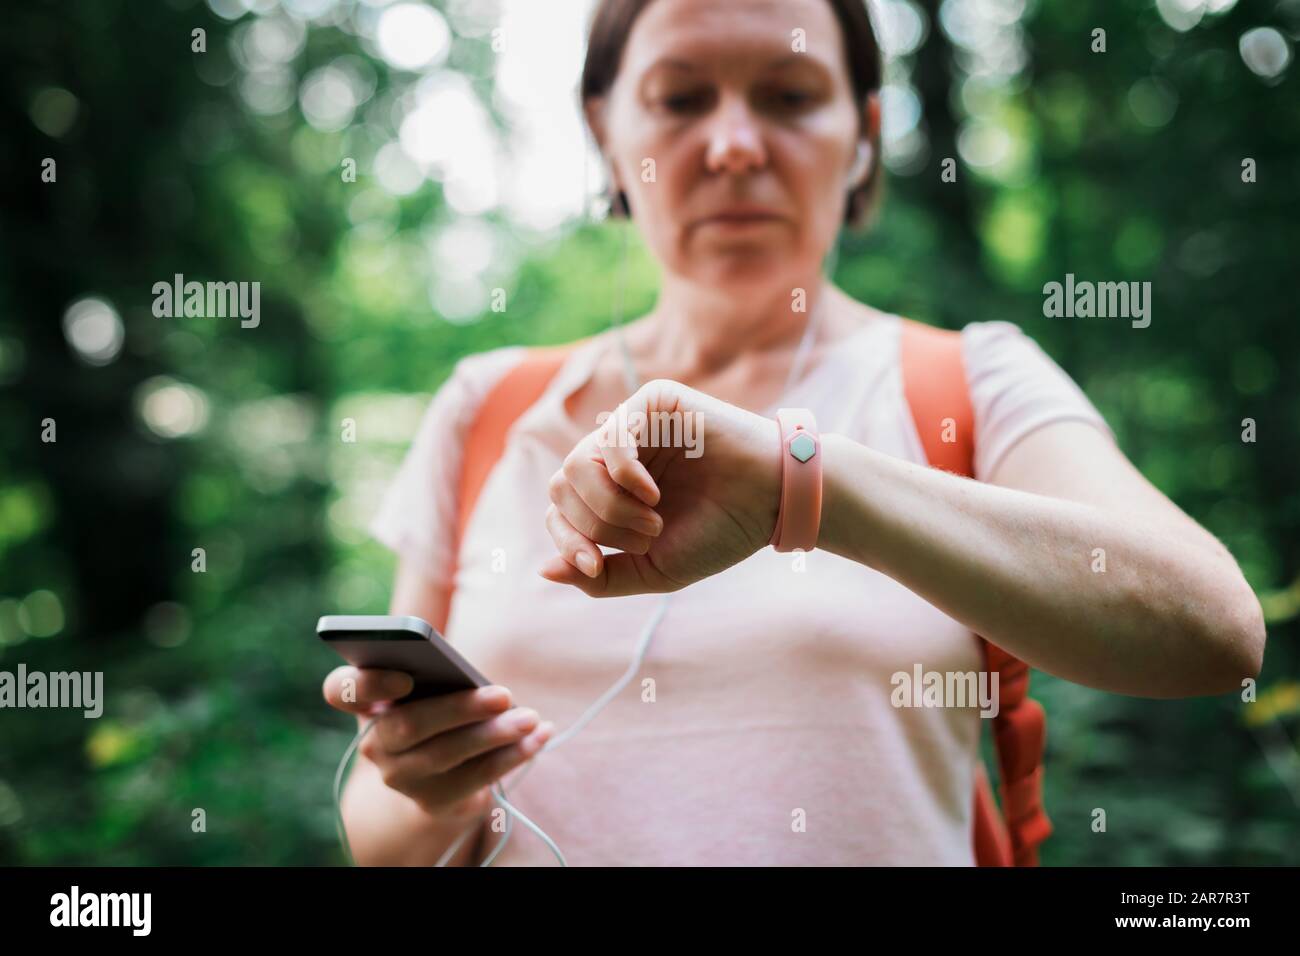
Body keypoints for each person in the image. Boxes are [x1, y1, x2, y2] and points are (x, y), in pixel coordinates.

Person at [322, 0, 1265, 866]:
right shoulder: (485, 408)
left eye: (790, 95)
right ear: (605, 132)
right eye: (681, 97)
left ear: (864, 134)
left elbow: (1214, 632)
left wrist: (802, 488)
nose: (734, 145)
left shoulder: (968, 382)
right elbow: (379, 833)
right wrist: (428, 790)